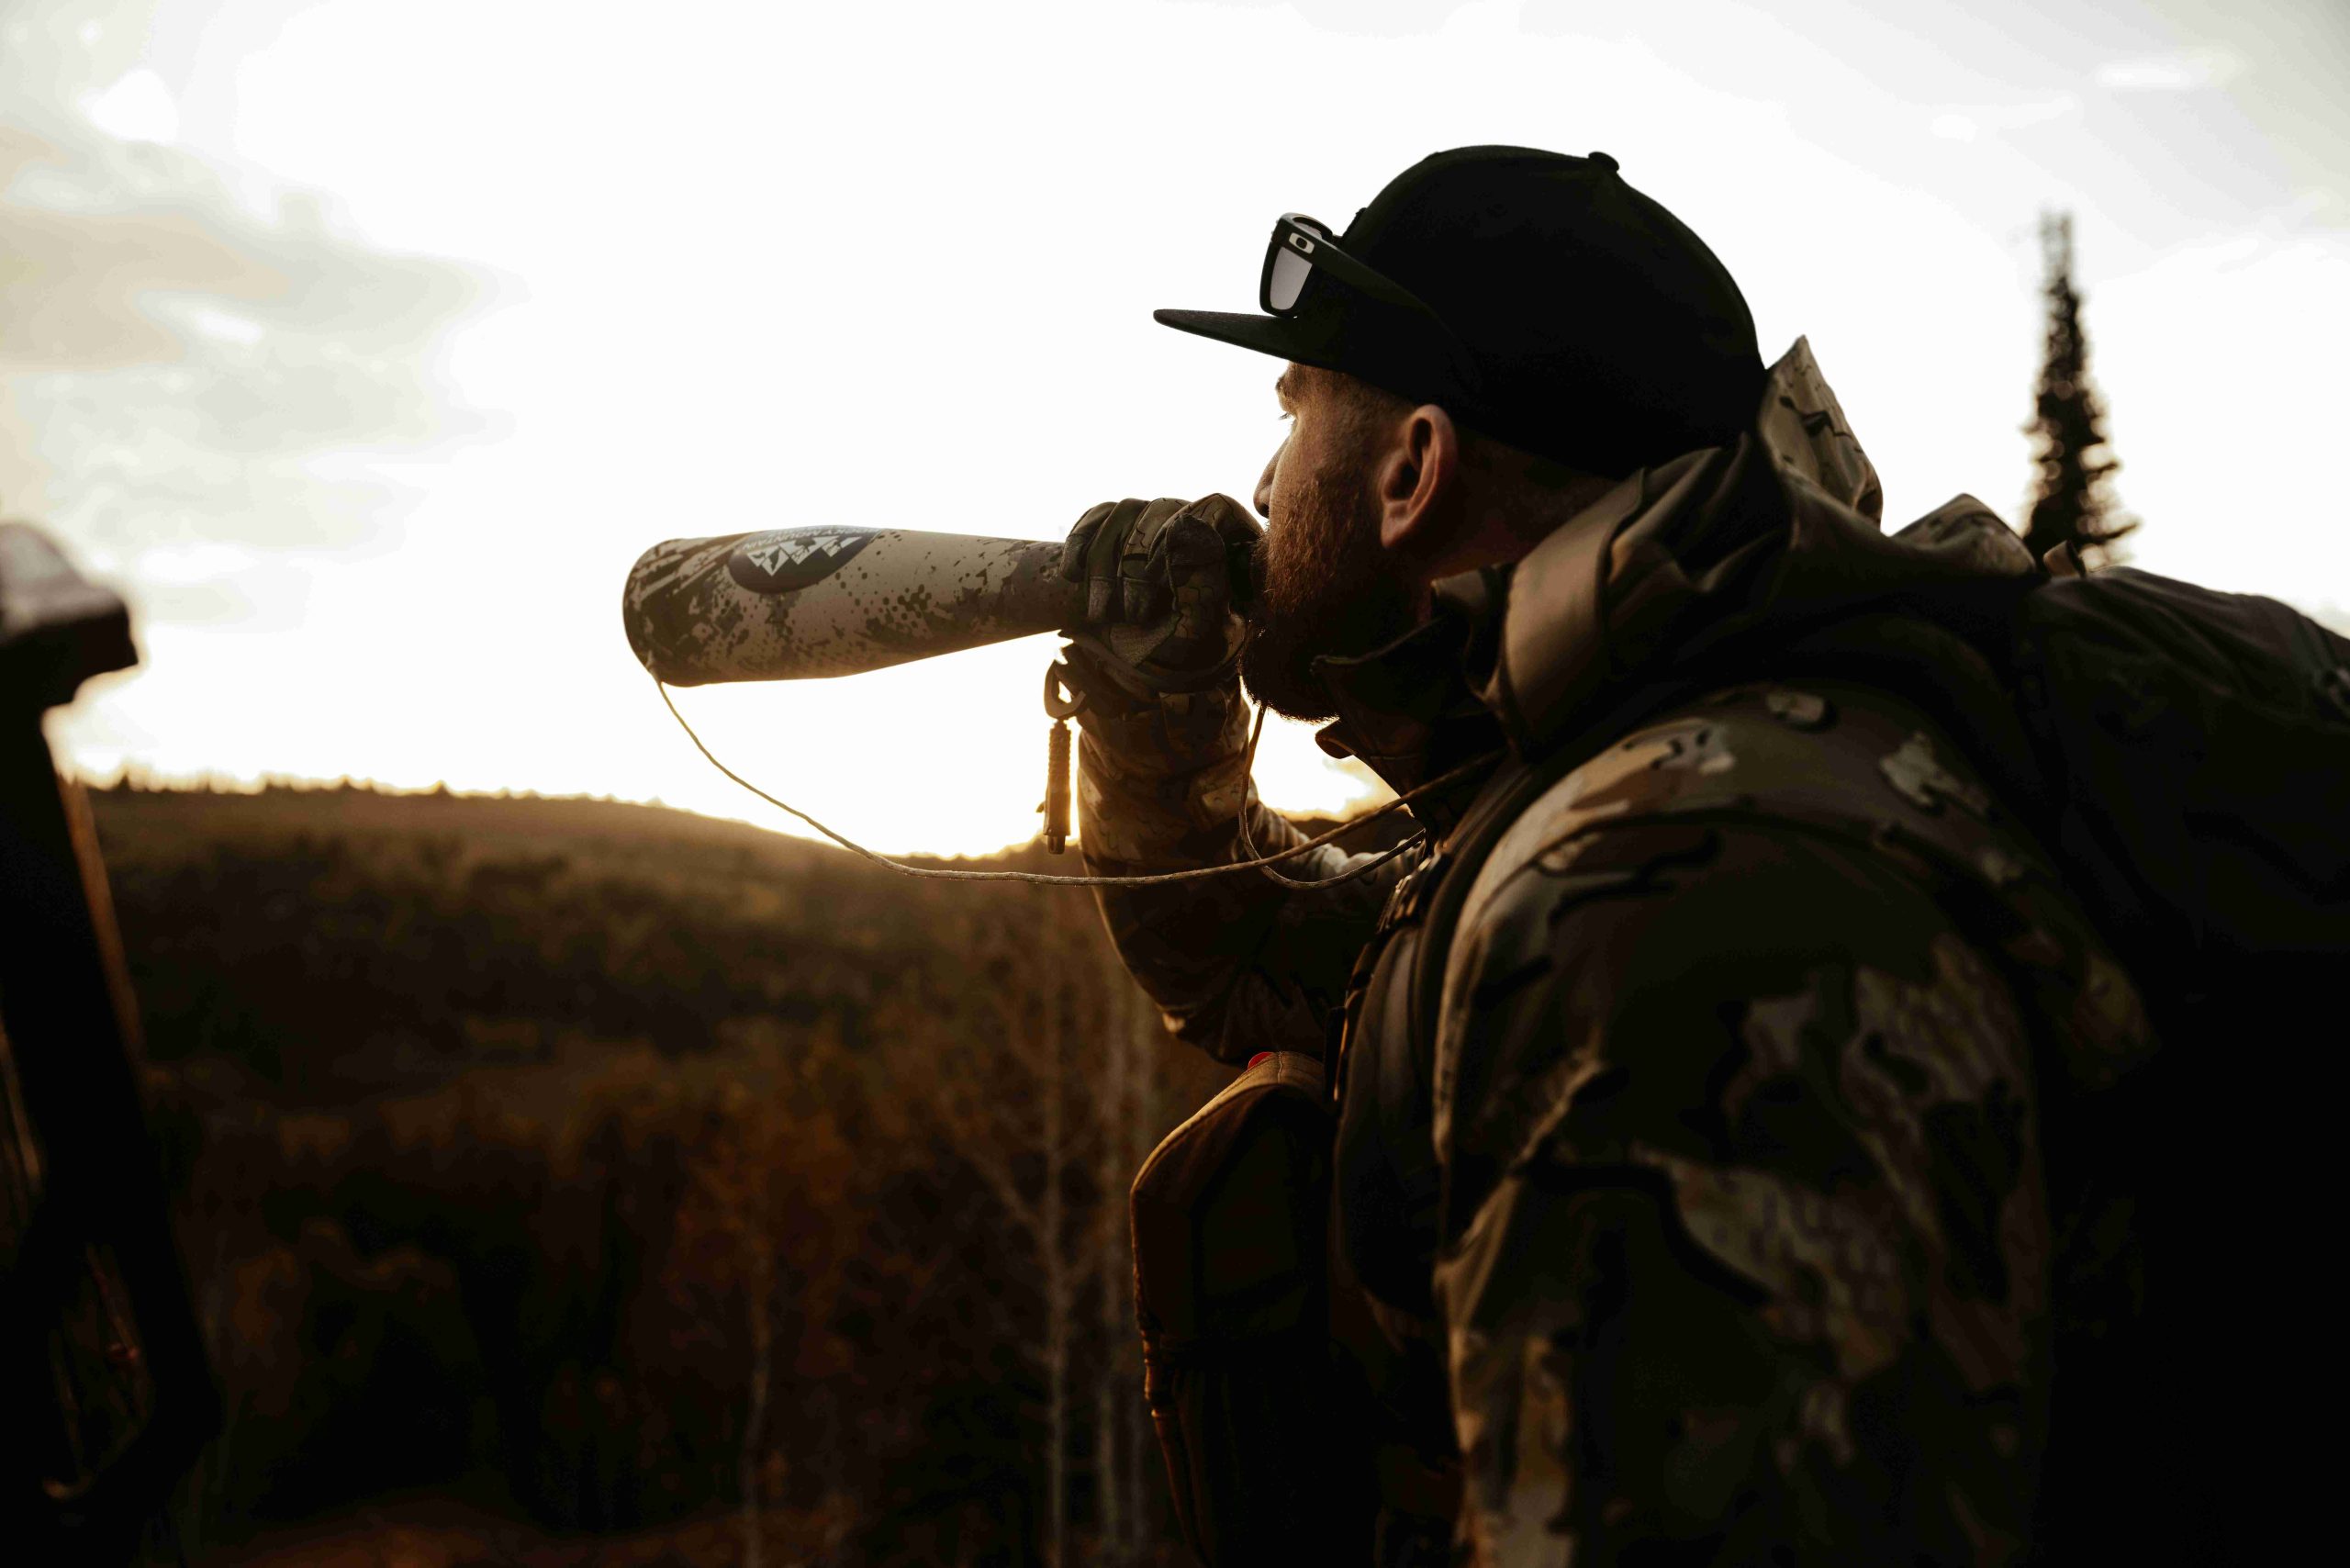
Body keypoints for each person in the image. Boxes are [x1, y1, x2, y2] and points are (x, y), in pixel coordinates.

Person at [1056, 146, 2202, 1565]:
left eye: (1296, 417)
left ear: (1413, 469)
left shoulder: (1658, 894)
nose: (1263, 481)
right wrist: (1156, 723)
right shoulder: (1606, 774)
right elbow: (1257, 961)